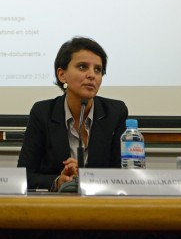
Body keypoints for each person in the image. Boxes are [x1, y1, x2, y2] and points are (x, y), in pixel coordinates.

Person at [17, 37, 128, 191]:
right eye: (83, 67)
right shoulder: (42, 112)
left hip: (102, 205)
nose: (92, 75)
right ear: (62, 75)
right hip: (57, 207)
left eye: (98, 69)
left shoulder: (115, 112)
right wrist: (58, 181)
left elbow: (124, 175)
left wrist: (86, 177)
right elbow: (24, 175)